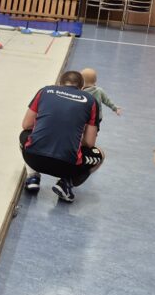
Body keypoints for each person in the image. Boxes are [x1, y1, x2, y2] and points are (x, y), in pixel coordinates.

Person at [21, 70, 105, 203]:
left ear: (60, 84)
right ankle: (66, 183)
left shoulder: (44, 91)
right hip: (67, 165)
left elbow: (26, 125)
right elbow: (89, 142)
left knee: (24, 135)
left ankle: (33, 177)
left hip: (34, 159)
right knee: (100, 155)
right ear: (82, 87)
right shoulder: (91, 101)